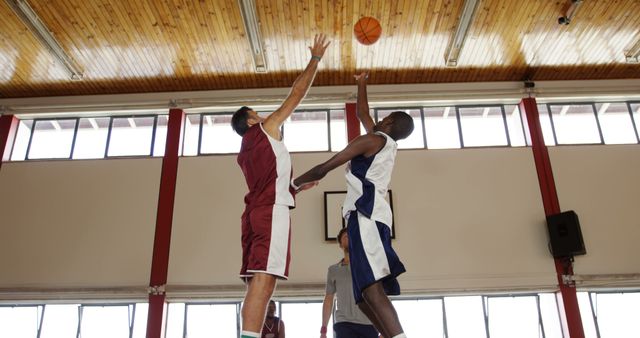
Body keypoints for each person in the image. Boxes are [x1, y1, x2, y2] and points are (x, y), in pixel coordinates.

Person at [293, 72, 414, 338]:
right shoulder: (385, 143)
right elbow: (362, 113)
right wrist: (361, 82)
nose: (376, 120)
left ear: (389, 121)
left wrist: (293, 185)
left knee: (371, 289)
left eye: (382, 118)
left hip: (366, 215)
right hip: (369, 216)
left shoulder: (372, 141)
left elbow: (326, 167)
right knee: (362, 297)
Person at [231, 34, 330, 338]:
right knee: (265, 279)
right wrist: (315, 59)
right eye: (257, 114)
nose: (263, 116)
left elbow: (268, 182)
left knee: (256, 280)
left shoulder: (246, 151)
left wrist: (295, 188)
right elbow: (296, 94)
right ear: (250, 122)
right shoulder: (263, 131)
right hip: (271, 213)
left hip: (256, 213)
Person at [321, 227, 380, 338]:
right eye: (346, 236)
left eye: (352, 236)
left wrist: (383, 329)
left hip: (369, 324)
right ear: (340, 244)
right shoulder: (333, 270)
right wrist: (323, 330)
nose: (350, 238)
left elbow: (378, 296)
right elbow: (329, 299)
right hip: (344, 324)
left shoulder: (368, 266)